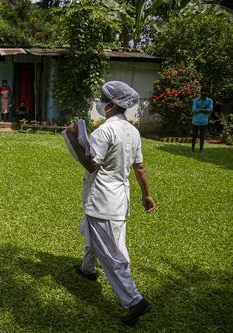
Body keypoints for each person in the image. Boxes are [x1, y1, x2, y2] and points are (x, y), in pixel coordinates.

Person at [66, 81, 156, 326]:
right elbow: (139, 167)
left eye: (103, 98)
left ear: (112, 104)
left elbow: (91, 164)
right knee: (90, 231)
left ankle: (135, 300)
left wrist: (73, 139)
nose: (100, 102)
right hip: (118, 198)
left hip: (103, 199)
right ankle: (87, 269)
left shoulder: (105, 131)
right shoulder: (132, 131)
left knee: (111, 253)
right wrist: (146, 194)